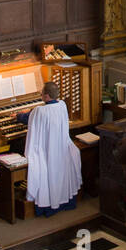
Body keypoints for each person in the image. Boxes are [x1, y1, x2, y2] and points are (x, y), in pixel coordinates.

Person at [23, 81, 82, 216]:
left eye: (42, 93)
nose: (41, 95)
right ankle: (64, 202)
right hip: (60, 149)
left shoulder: (39, 111)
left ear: (47, 96)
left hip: (46, 152)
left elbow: (29, 119)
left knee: (23, 149)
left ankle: (46, 206)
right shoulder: (62, 105)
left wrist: (18, 116)